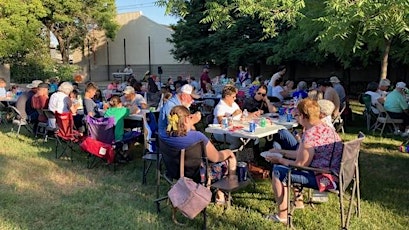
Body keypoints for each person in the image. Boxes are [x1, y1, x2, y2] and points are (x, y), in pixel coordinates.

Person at [265, 98, 342, 223]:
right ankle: (298, 202)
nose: (296, 118)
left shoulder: (310, 135)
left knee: (278, 172)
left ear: (303, 116)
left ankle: (282, 216)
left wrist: (280, 160)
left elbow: (300, 165)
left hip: (324, 179)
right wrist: (281, 152)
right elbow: (302, 154)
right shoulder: (326, 128)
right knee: (283, 166)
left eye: (296, 115)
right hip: (336, 174)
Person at [161, 105, 237, 203]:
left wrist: (190, 123)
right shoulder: (197, 137)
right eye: (189, 117)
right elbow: (216, 158)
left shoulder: (163, 135)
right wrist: (228, 152)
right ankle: (222, 194)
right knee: (229, 158)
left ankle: (219, 194)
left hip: (173, 171)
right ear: (186, 120)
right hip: (197, 174)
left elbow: (184, 133)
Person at [213, 85, 259, 149]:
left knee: (252, 138)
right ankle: (230, 156)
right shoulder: (220, 107)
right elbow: (221, 123)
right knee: (238, 141)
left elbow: (241, 114)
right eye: (233, 97)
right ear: (227, 97)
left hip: (235, 129)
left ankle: (249, 157)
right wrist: (232, 115)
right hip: (221, 133)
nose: (235, 98)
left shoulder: (233, 104)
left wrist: (252, 114)